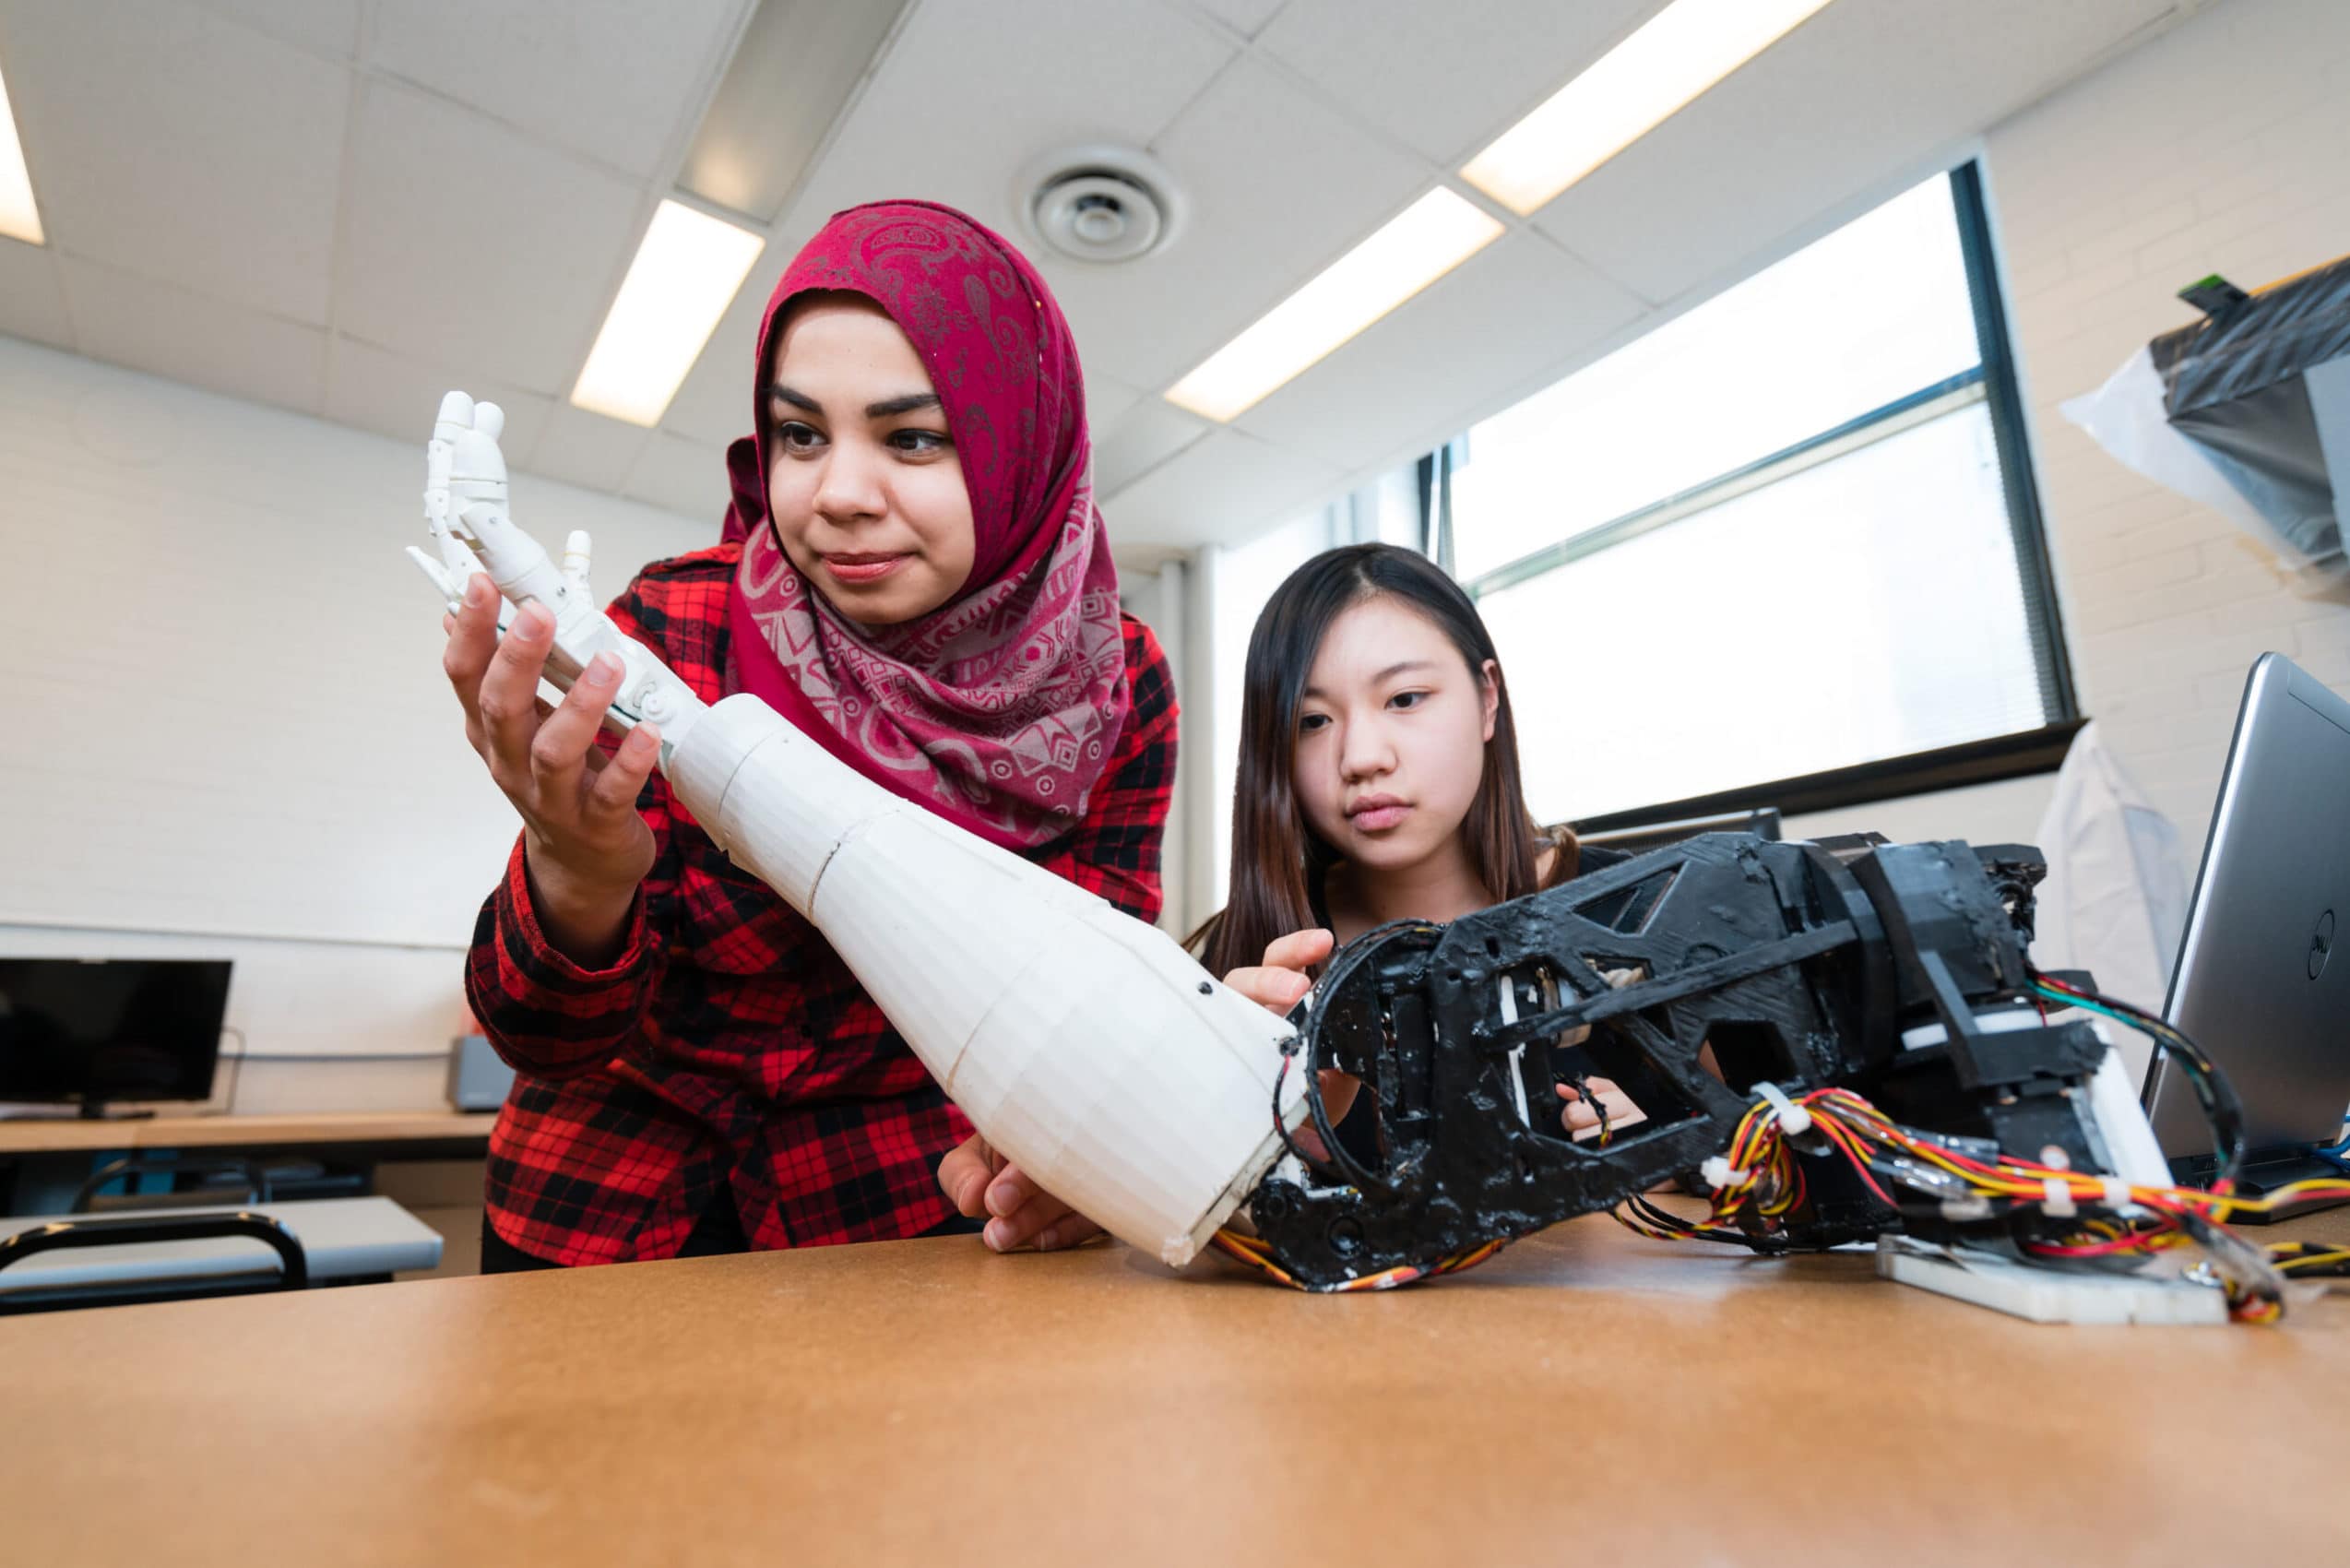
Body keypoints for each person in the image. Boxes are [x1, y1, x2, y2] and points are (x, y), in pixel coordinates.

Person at [442, 200, 1177, 1269]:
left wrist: (1063, 1150)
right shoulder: (673, 630)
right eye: (799, 434)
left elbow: (1092, 1002)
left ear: (1020, 441)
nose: (836, 495)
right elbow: (538, 1034)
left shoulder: (1112, 688)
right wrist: (578, 875)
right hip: (602, 1214)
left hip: (907, 1224)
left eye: (912, 437)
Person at [941, 542, 1637, 1252]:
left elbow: (1751, 1136)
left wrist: (1693, 1150)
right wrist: (1099, 1174)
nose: (1362, 756)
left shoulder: (1646, 913)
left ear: (1487, 698)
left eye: (1404, 699)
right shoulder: (1245, 964)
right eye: (1312, 721)